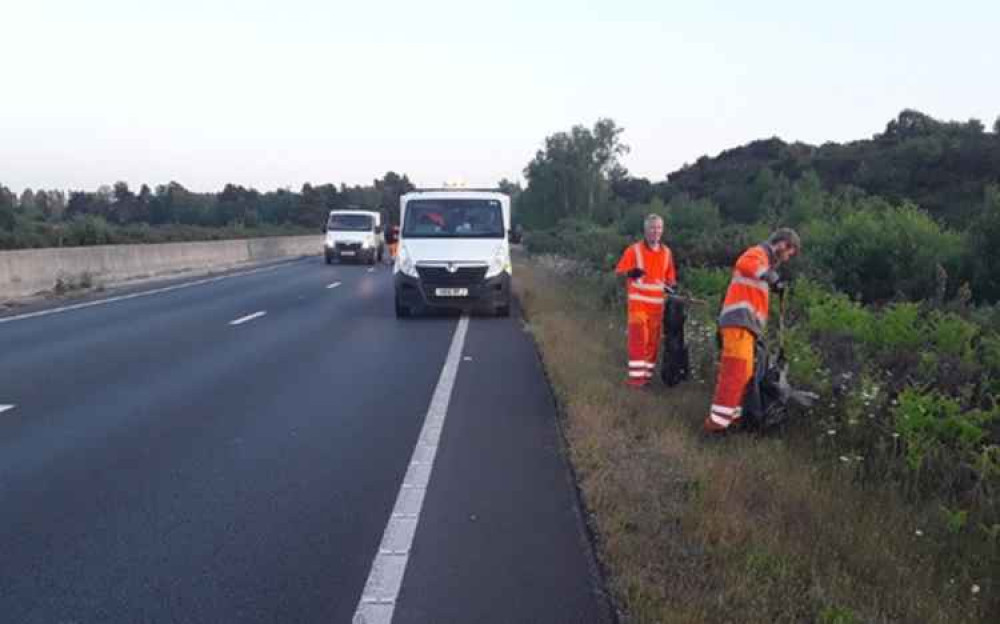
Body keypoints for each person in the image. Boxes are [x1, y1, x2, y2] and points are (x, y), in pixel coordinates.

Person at [705, 228, 800, 433]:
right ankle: (716, 427)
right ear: (783, 244)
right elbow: (744, 263)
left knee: (744, 376)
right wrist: (769, 276)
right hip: (738, 324)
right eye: (789, 253)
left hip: (747, 328)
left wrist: (770, 281)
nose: (787, 258)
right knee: (734, 374)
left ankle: (732, 422)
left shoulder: (765, 264)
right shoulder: (758, 254)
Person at [614, 214, 677, 387]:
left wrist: (673, 288)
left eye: (658, 228)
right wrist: (629, 273)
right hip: (638, 305)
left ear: (662, 230)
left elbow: (670, 279)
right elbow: (619, 272)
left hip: (657, 307)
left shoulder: (667, 253)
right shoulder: (634, 250)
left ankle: (646, 377)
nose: (655, 231)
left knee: (652, 344)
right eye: (652, 228)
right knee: (638, 340)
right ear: (645, 230)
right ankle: (636, 380)